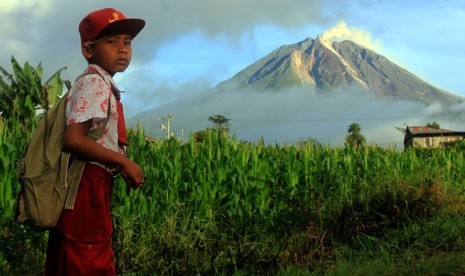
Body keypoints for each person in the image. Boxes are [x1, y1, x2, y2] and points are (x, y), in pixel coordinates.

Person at [45, 8, 145, 275]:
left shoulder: (101, 83)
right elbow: (74, 140)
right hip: (86, 185)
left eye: (127, 42)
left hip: (88, 186)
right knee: (89, 258)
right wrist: (123, 162)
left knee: (72, 258)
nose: (122, 49)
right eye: (112, 42)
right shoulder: (95, 84)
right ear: (88, 50)